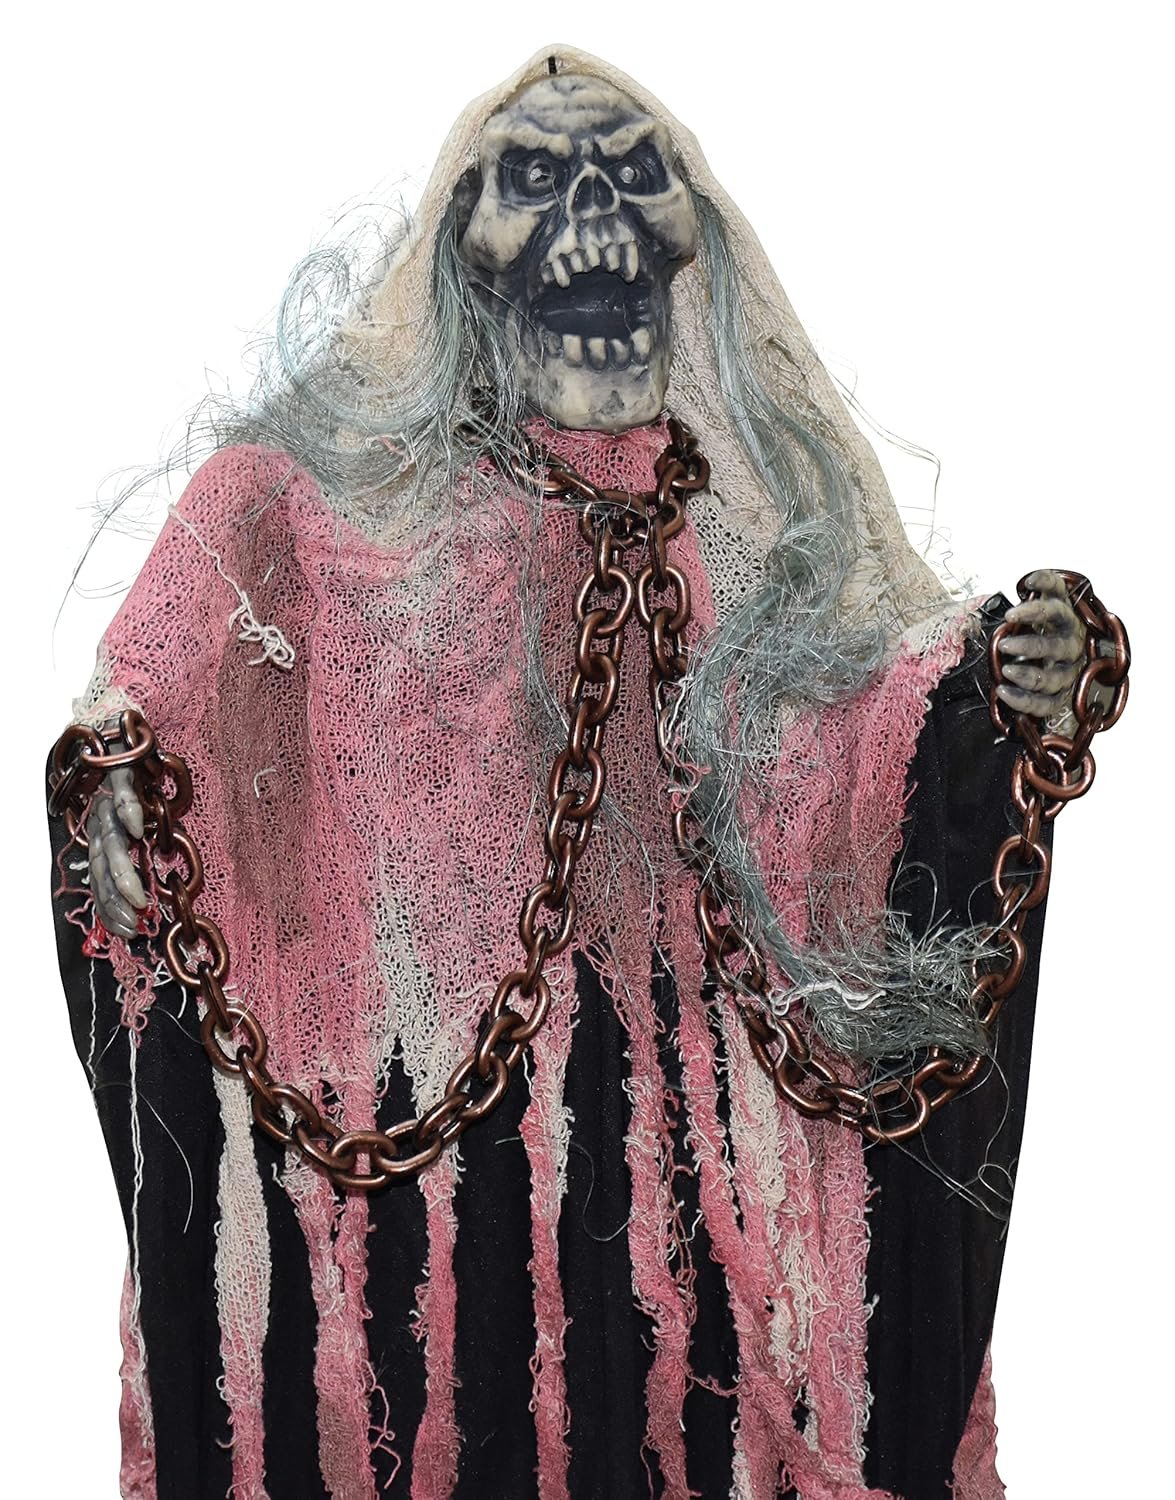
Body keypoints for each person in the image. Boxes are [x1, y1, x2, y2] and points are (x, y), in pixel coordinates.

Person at [45, 45, 1125, 1500]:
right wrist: (123, 774)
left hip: (698, 1160)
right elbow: (177, 659)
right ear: (460, 253)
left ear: (697, 245)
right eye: (537, 182)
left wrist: (1001, 693)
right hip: (425, 1164)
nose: (592, 219)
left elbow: (869, 742)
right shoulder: (315, 504)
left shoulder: (752, 527)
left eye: (632, 178)